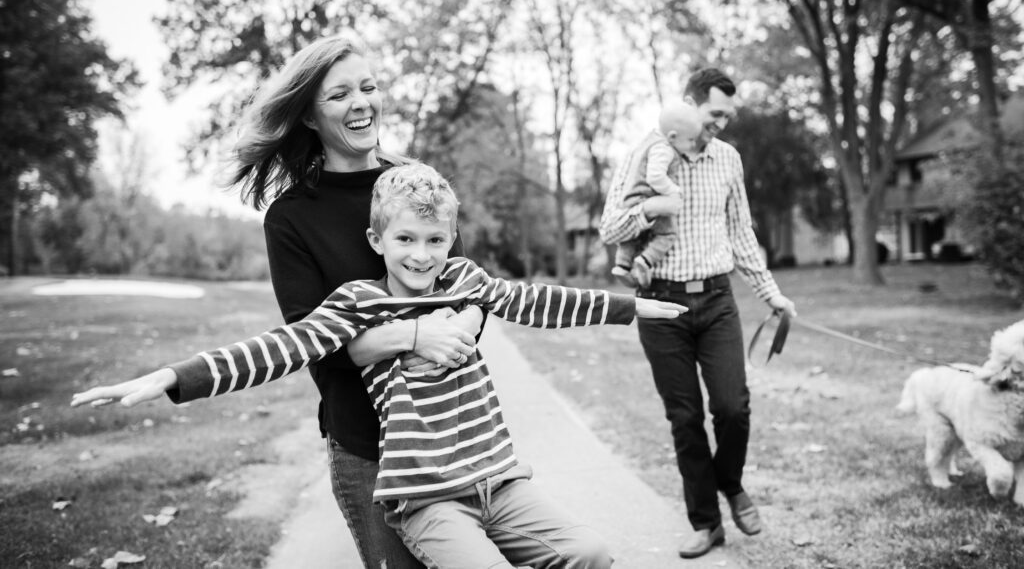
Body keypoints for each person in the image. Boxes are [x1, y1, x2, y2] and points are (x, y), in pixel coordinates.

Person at [72, 162, 687, 569]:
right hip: (427, 499)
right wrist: (174, 377)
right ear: (377, 241)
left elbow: (541, 300)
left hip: (499, 482)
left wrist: (630, 308)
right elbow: (280, 348)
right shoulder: (359, 303)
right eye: (406, 240)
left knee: (591, 554)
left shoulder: (466, 282)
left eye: (434, 240)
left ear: (450, 240)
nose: (421, 255)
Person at [118, 34, 482, 568]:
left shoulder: (415, 185)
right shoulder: (292, 218)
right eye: (339, 95)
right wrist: (415, 334)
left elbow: (470, 291)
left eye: (369, 87)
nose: (361, 103)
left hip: (449, 438)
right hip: (365, 448)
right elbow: (314, 345)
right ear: (310, 116)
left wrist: (464, 322)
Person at [599, 67, 797, 560]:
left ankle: (730, 483)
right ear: (688, 105)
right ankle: (705, 522)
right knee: (684, 418)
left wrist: (770, 293)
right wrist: (653, 206)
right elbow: (609, 228)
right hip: (660, 304)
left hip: (716, 299)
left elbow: (741, 231)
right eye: (715, 115)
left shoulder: (727, 158)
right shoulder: (647, 153)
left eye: (729, 116)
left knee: (733, 406)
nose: (723, 125)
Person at [610, 101, 702, 288]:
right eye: (691, 140)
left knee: (635, 236)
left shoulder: (648, 141)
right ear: (673, 136)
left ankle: (622, 264)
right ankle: (645, 261)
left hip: (632, 198)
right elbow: (655, 177)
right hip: (648, 198)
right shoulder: (664, 149)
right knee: (667, 234)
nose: (694, 144)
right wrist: (674, 191)